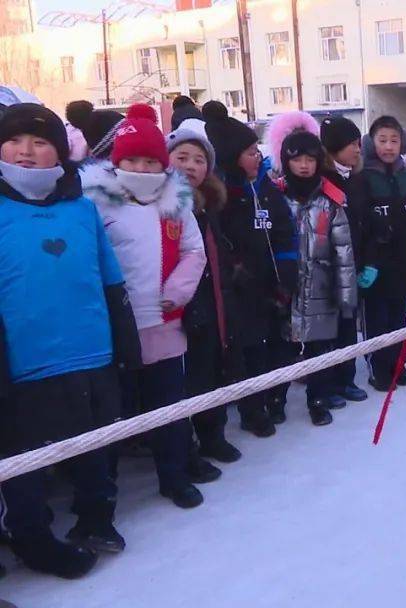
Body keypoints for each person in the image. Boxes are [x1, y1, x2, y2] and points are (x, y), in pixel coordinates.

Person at [0, 103, 140, 578]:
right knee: (26, 463)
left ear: (59, 153)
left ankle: (97, 518)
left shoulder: (82, 209)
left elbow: (111, 280)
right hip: (24, 365)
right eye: (16, 140)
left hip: (92, 353)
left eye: (40, 143)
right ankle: (32, 539)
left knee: (96, 447)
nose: (26, 151)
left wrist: (126, 344)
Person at [81, 104, 208, 509]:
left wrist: (178, 291)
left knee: (168, 406)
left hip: (164, 323)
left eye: (150, 160)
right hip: (114, 329)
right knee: (113, 415)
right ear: (116, 161)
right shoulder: (95, 203)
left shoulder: (176, 201)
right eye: (131, 159)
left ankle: (174, 476)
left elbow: (194, 251)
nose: (141, 167)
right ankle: (103, 496)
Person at [205, 102, 297, 435]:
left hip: (272, 285)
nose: (257, 156)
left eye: (257, 150)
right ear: (230, 157)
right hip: (240, 291)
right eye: (248, 152)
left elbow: (286, 230)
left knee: (277, 345)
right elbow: (218, 243)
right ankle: (251, 408)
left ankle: (276, 398)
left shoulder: (267, 190)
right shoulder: (221, 198)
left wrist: (287, 270)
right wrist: (235, 269)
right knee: (249, 352)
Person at [267, 111, 357, 425]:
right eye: (297, 159)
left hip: (320, 288)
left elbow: (344, 251)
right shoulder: (273, 196)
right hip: (282, 289)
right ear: (285, 160)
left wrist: (347, 297)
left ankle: (317, 400)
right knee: (280, 350)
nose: (304, 165)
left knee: (320, 350)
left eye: (310, 158)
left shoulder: (331, 200)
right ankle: (274, 400)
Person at [166, 119, 244, 468]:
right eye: (182, 157)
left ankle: (213, 435)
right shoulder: (163, 207)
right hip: (176, 311)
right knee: (183, 384)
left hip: (212, 305)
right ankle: (185, 452)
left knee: (212, 373)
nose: (190, 166)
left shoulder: (208, 206)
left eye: (199, 160)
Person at [349, 116, 406, 391]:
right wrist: (365, 260)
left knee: (398, 318)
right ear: (371, 142)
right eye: (382, 140)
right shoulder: (362, 177)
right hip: (374, 264)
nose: (388, 147)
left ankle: (397, 366)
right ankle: (378, 369)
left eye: (394, 140)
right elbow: (358, 222)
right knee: (376, 319)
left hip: (402, 259)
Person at [320, 115, 369, 405]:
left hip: (355, 266)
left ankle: (347, 379)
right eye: (351, 144)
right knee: (329, 330)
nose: (357, 150)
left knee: (349, 326)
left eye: (358, 144)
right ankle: (328, 385)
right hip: (329, 269)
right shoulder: (323, 182)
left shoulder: (357, 180)